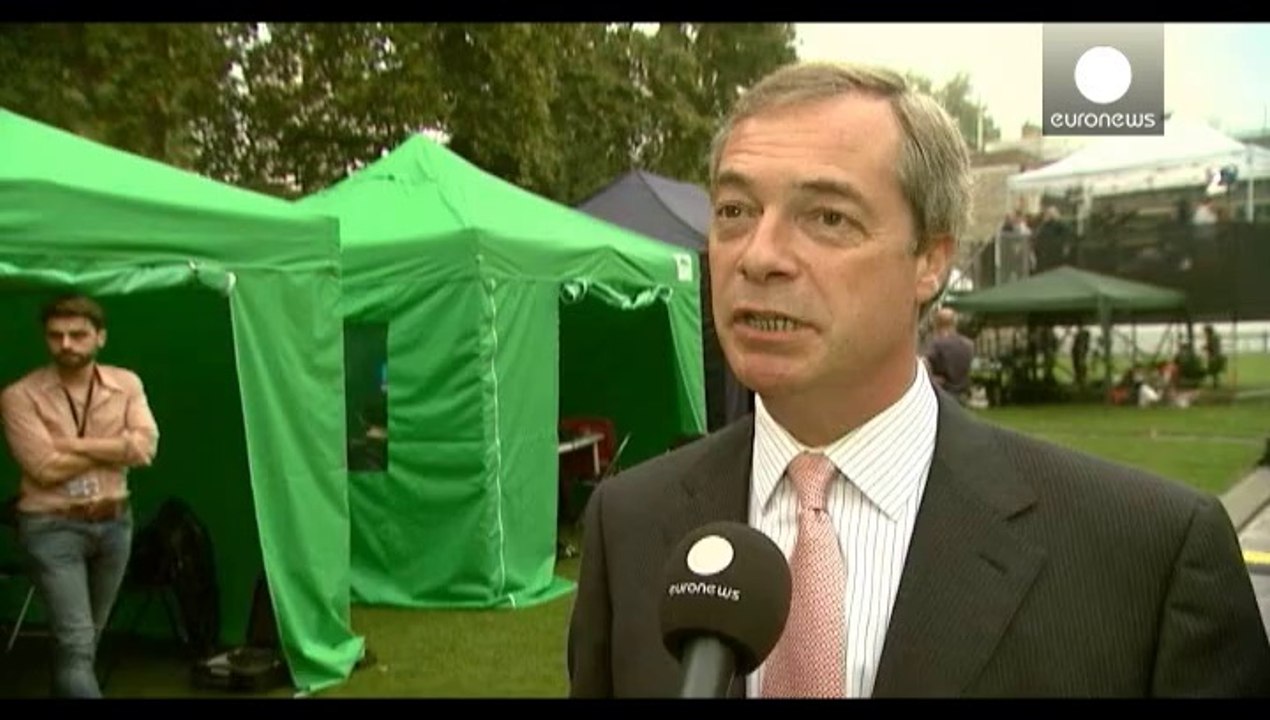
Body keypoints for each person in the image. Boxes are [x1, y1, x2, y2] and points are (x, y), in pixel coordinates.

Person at [565, 60, 1270, 698]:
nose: (760, 256)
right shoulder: (627, 524)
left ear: (929, 261)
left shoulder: (1148, 557)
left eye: (828, 217)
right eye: (735, 211)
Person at [0, 293, 159, 698]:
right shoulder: (20, 395)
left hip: (114, 523)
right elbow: (43, 468)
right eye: (56, 336)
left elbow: (144, 449)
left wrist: (71, 444)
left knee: (85, 644)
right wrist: (114, 445)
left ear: (100, 337)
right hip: (52, 526)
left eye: (77, 335)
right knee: (76, 645)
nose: (66, 344)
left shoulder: (126, 383)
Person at [921, 307, 974, 403]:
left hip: (943, 394)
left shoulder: (936, 344)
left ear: (936, 323)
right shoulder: (968, 344)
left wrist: (931, 378)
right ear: (955, 322)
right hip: (963, 395)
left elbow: (923, 364)